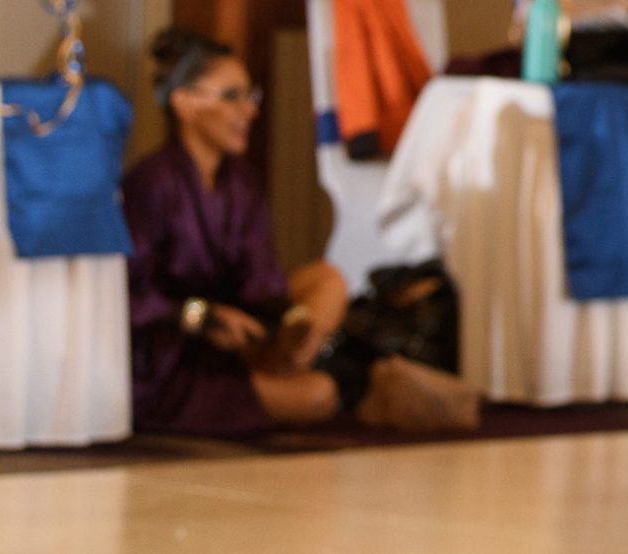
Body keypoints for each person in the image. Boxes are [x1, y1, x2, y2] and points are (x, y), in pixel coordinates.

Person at [123, 27, 479, 435]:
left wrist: (292, 321)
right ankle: (346, 387)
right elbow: (127, 295)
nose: (248, 112)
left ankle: (296, 367)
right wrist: (202, 317)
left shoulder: (240, 180)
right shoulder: (151, 183)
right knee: (316, 398)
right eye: (231, 96)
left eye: (250, 96)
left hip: (237, 339)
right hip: (173, 353)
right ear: (184, 103)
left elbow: (261, 282)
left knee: (328, 281)